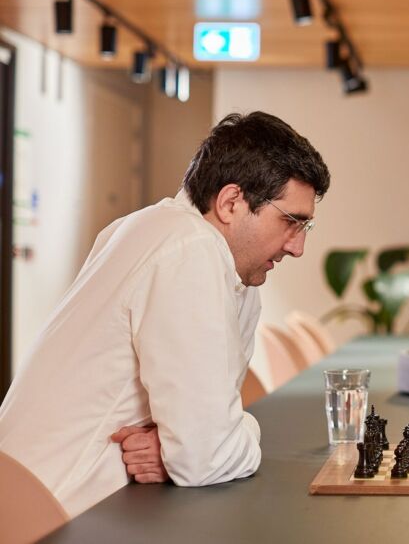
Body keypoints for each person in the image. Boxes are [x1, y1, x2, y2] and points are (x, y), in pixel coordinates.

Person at [0, 112, 330, 517]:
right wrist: (232, 433)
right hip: (56, 519)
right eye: (291, 222)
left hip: (33, 500)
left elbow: (205, 437)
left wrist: (190, 442)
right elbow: (207, 457)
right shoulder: (189, 250)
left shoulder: (147, 228)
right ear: (230, 203)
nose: (297, 247)